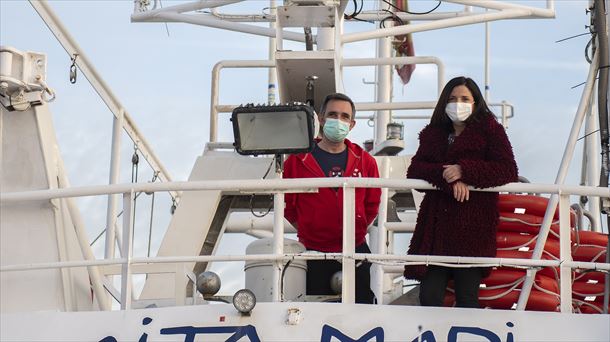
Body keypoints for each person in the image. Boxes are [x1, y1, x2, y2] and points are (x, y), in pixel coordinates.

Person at [404, 76, 518, 308]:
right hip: (436, 233)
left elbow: (507, 170)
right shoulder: (433, 134)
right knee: (430, 298)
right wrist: (447, 177)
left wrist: (465, 170)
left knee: (467, 299)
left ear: (475, 102)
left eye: (465, 98)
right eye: (453, 98)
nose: (458, 103)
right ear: (444, 103)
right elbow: (416, 170)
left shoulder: (491, 131)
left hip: (472, 231)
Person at [284, 92, 381, 304]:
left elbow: (372, 204)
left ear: (352, 124)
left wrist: (356, 227)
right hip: (312, 253)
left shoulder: (365, 161)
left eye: (345, 116)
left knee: (362, 311)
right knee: (313, 311)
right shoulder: (297, 160)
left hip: (355, 250)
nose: (338, 120)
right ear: (320, 118)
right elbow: (288, 206)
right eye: (333, 114)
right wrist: (311, 228)